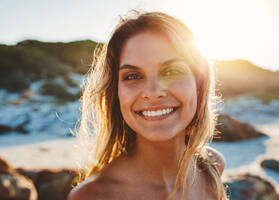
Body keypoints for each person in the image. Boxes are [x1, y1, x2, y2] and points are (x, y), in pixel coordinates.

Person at [68, 11, 227, 200]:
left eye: (172, 71)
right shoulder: (93, 196)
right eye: (132, 76)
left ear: (199, 85)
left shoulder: (211, 166)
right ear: (117, 94)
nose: (152, 92)